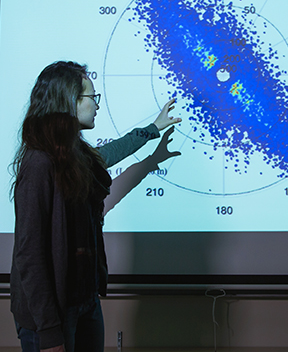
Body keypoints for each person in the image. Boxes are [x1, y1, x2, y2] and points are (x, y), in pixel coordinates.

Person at [10, 61, 181, 352]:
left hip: (85, 302)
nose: (97, 105)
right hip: (52, 317)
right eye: (92, 97)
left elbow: (109, 153)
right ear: (70, 101)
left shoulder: (74, 156)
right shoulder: (39, 162)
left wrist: (153, 129)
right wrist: (50, 331)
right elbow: (30, 255)